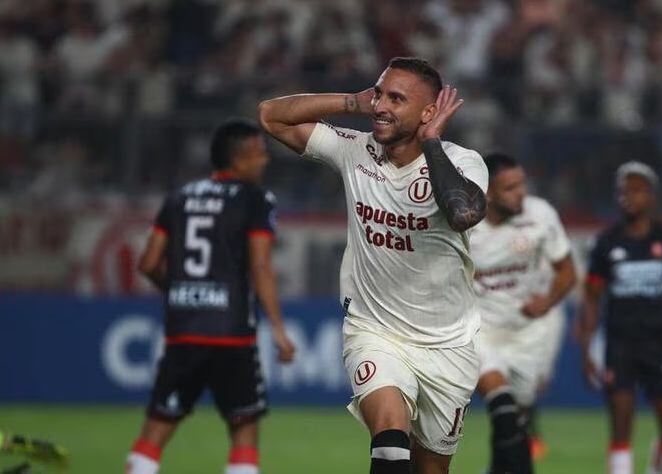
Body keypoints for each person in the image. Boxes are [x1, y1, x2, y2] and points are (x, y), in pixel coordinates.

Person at [259, 57, 488, 473]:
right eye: (380, 92)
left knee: (431, 468)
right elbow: (271, 117)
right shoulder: (355, 149)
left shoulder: (464, 162)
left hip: (449, 343)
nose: (382, 105)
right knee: (389, 444)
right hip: (375, 330)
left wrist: (432, 144)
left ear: (428, 112)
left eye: (396, 99)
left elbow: (463, 214)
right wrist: (353, 102)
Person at [126, 118, 297, 474]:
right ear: (243, 157)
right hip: (232, 333)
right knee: (244, 432)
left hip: (183, 331)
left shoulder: (179, 198)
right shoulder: (256, 199)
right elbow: (261, 267)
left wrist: (179, 291)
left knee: (154, 432)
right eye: (261, 153)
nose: (265, 160)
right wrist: (279, 329)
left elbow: (148, 262)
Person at [577, 162, 662, 474]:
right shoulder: (607, 242)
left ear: (651, 196)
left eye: (634, 191)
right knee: (620, 425)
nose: (626, 197)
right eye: (621, 192)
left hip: (660, 342)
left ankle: (658, 468)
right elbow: (591, 297)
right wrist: (587, 347)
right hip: (620, 344)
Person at [470, 153, 578, 473]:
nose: (521, 193)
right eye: (510, 187)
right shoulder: (464, 224)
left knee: (516, 423)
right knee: (502, 408)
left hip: (527, 333)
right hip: (481, 332)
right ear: (487, 192)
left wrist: (548, 301)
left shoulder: (540, 215)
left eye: (522, 184)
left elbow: (567, 272)